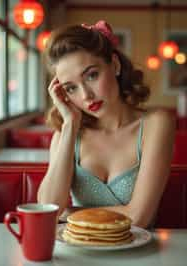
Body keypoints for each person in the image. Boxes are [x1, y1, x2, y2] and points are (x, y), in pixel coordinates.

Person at [37, 20, 175, 228]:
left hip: (141, 257)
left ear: (115, 65)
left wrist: (69, 213)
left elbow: (139, 218)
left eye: (92, 75)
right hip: (78, 254)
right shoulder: (66, 135)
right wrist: (70, 126)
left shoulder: (156, 124)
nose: (86, 95)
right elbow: (48, 209)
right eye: (71, 88)